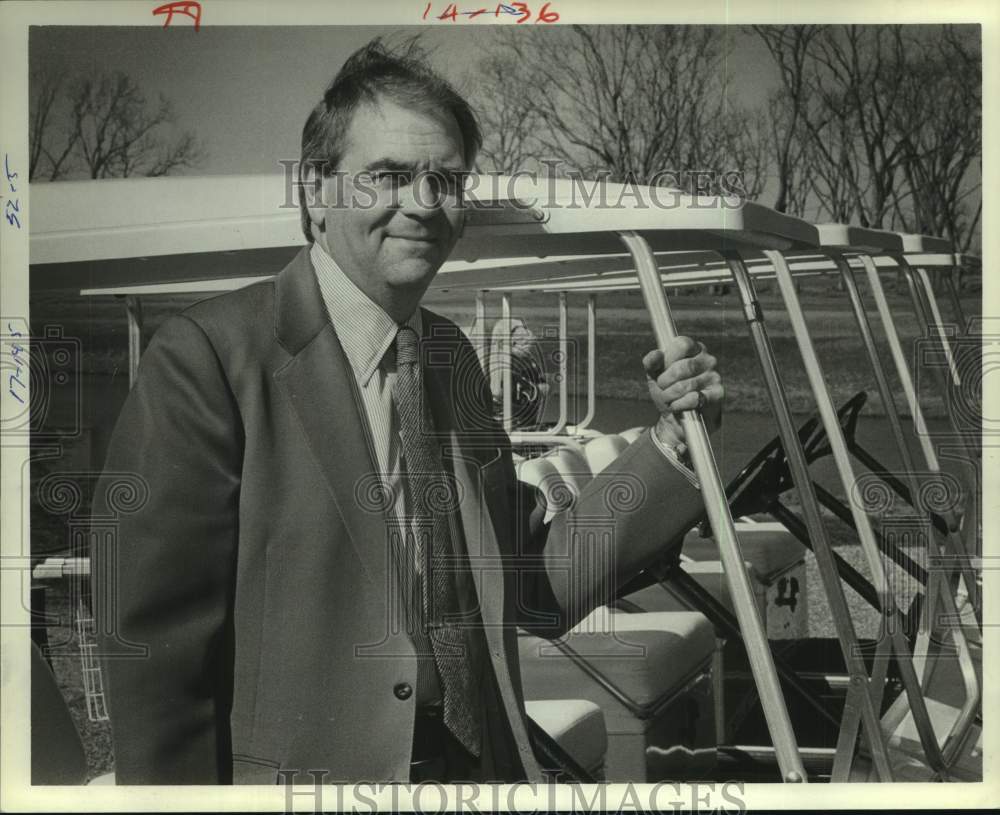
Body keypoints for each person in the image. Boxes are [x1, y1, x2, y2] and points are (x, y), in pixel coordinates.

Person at [93, 40, 723, 785]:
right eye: (390, 175)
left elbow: (529, 582)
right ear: (317, 194)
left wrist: (670, 444)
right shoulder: (207, 360)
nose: (424, 204)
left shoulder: (450, 357)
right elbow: (158, 659)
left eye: (446, 180)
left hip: (469, 769)